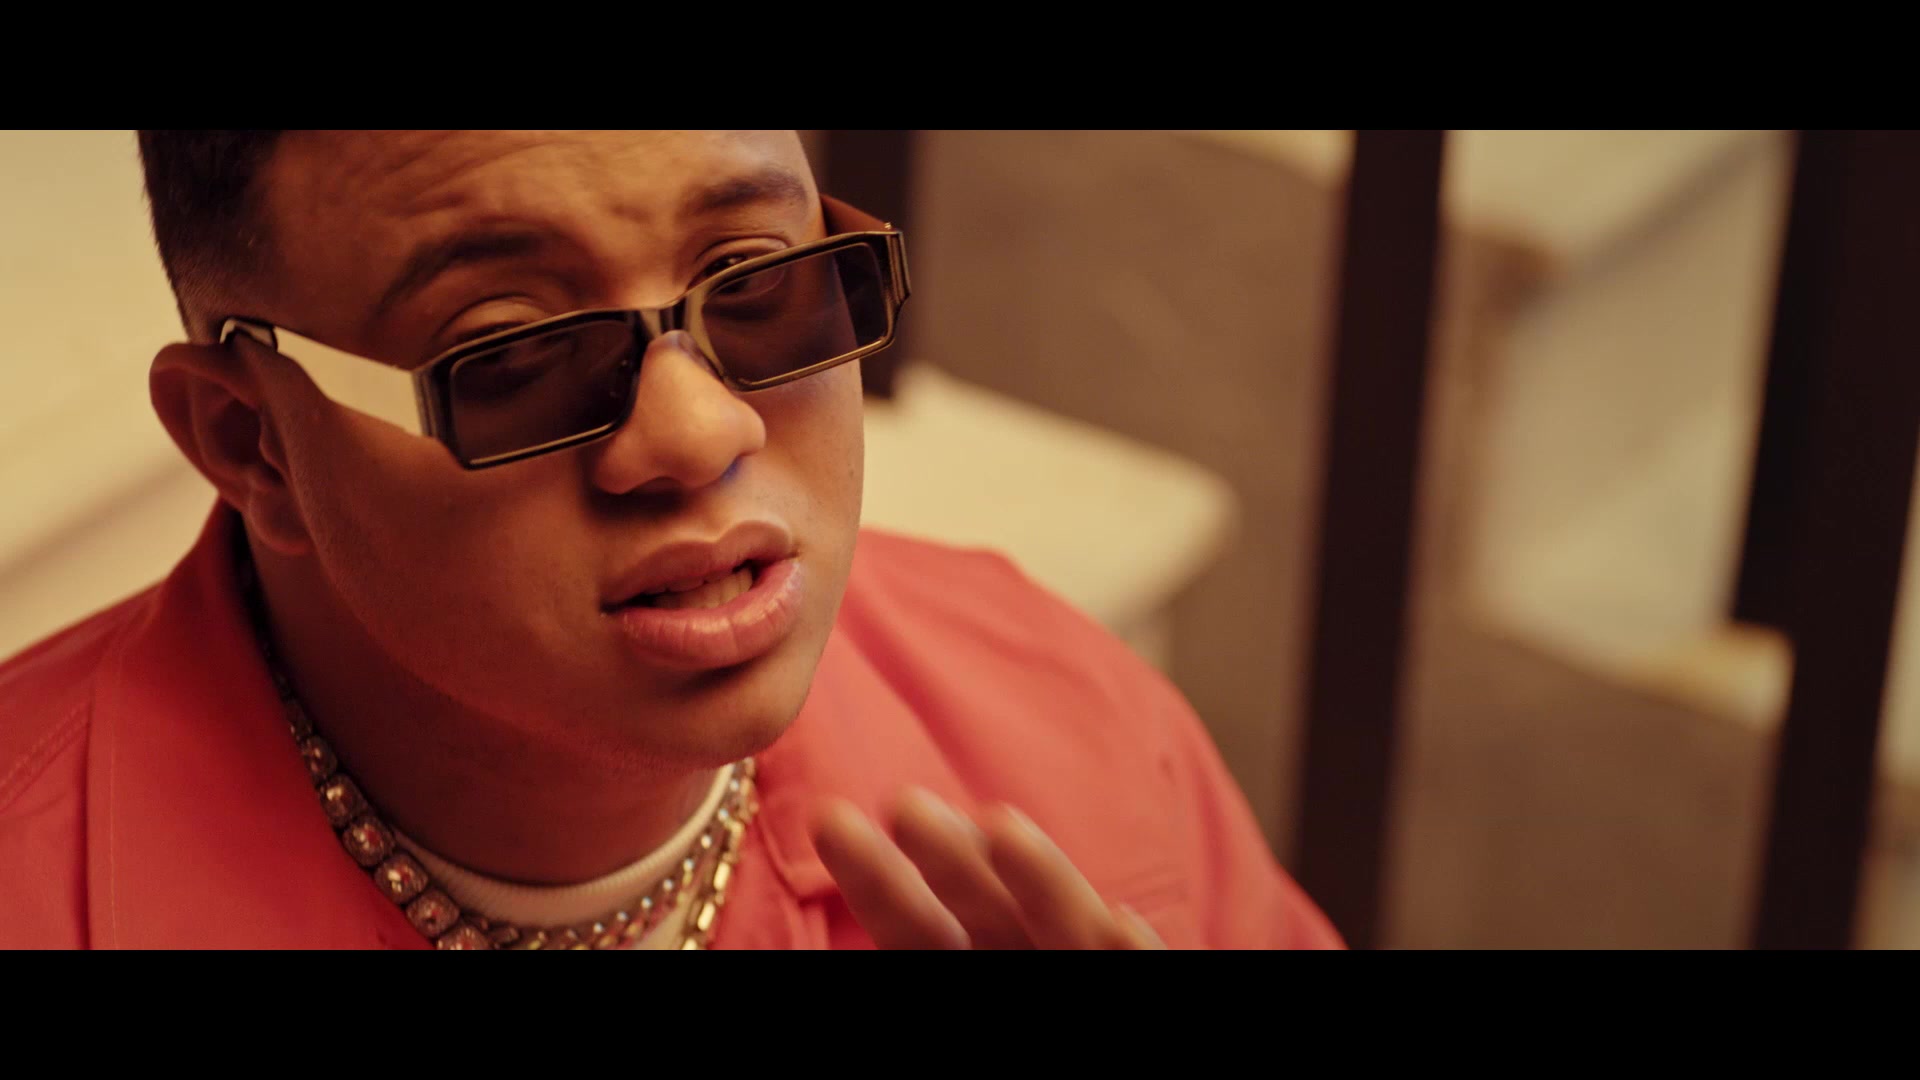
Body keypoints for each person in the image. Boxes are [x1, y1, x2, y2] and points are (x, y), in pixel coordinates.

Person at [0, 130, 1342, 950]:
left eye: (754, 283)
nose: (698, 433)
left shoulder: (1065, 729)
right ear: (253, 443)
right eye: (511, 354)